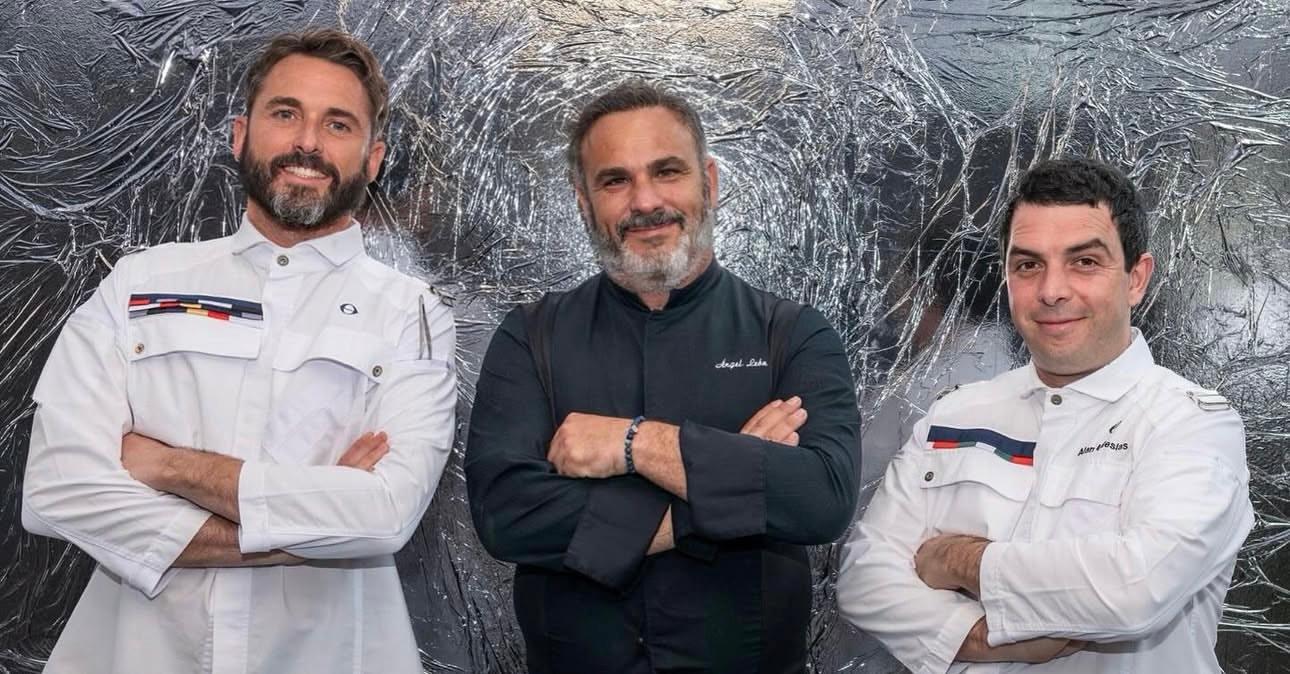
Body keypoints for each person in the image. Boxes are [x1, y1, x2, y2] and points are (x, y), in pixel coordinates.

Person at [22, 28, 456, 674]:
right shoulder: (139, 284)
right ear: (240, 135)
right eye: (285, 114)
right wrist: (300, 537)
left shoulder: (412, 312)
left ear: (373, 159)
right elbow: (56, 489)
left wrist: (168, 468)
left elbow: (384, 514)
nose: (307, 142)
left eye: (338, 124)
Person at [465, 82, 861, 673]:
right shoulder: (531, 337)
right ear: (583, 202)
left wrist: (634, 443)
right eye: (615, 180)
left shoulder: (793, 334)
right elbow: (507, 516)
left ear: (711, 184)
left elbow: (820, 499)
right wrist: (731, 481)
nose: (645, 201)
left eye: (667, 171)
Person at [837, 158, 1253, 673]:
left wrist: (956, 561)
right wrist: (978, 637)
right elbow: (863, 576)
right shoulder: (955, 412)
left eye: (1084, 262)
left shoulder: (1192, 424)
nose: (1052, 290)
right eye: (1028, 264)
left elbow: (1134, 586)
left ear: (1136, 279)